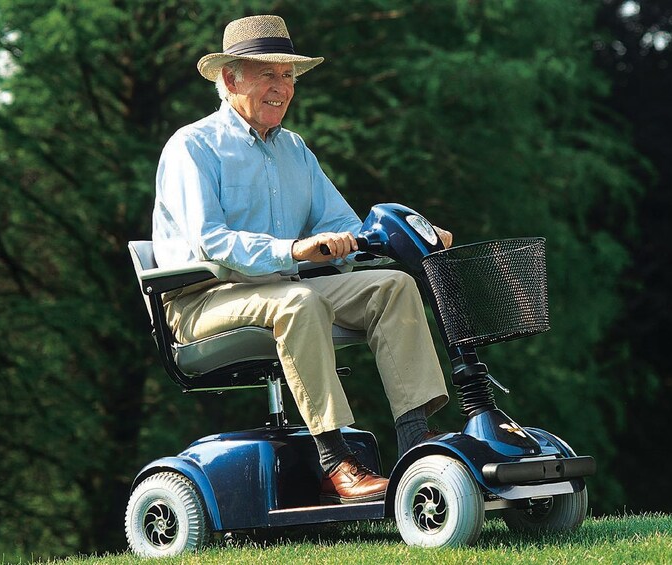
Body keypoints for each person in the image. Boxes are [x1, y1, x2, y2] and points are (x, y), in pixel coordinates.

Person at [152, 15, 450, 505]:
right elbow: (211, 242)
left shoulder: (294, 149)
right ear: (230, 79)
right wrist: (292, 250)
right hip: (200, 303)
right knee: (298, 301)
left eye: (288, 75)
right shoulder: (192, 146)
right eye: (267, 73)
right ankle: (336, 462)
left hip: (280, 289)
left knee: (392, 285)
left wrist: (412, 233)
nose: (281, 87)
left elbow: (346, 226)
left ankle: (418, 452)